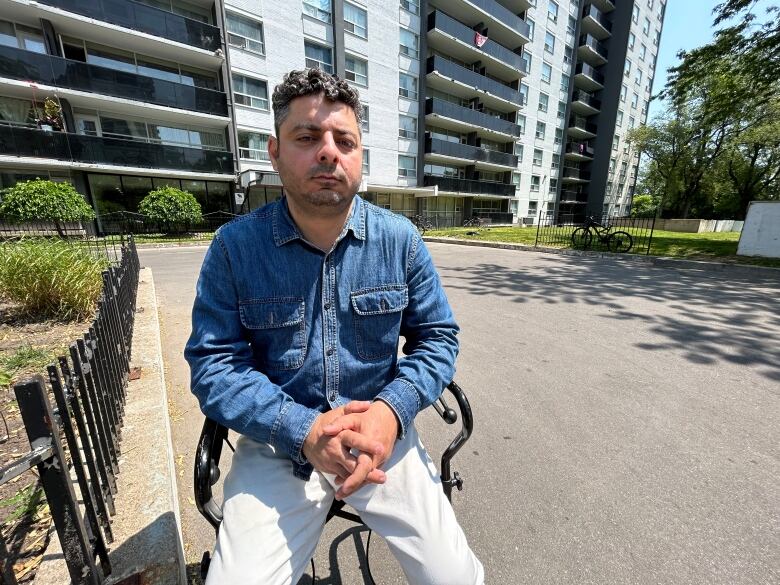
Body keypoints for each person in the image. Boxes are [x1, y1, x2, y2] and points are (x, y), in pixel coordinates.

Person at [185, 68, 484, 585]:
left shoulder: (401, 241)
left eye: (344, 140)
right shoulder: (234, 249)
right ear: (276, 152)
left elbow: (438, 337)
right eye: (307, 137)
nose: (328, 152)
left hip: (383, 439)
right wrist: (304, 431)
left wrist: (392, 413)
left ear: (360, 156)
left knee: (455, 578)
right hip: (280, 447)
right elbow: (214, 366)